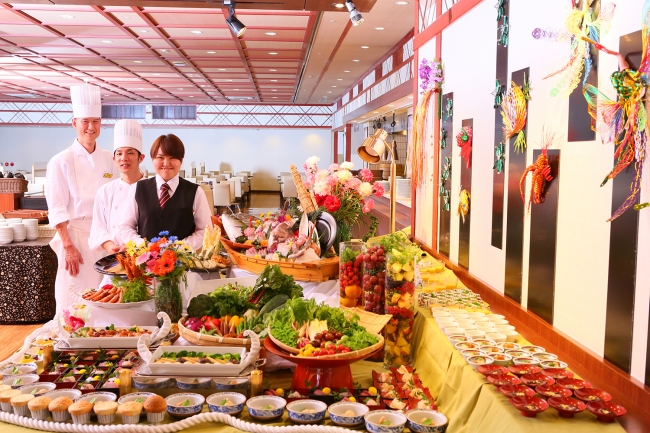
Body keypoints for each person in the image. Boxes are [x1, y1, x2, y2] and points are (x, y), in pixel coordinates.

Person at [45, 84, 119, 313]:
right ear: (74, 123)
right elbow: (56, 207)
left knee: (109, 297)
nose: (90, 127)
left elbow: (119, 199)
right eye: (85, 121)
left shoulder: (110, 159)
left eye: (95, 121)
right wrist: (67, 246)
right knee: (74, 297)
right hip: (76, 240)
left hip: (106, 240)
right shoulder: (60, 161)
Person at [119, 134, 211, 251]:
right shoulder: (137, 188)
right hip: (145, 261)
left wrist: (181, 247)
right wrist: (144, 245)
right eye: (160, 157)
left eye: (172, 157)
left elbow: (206, 230)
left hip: (183, 264)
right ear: (152, 159)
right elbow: (126, 226)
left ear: (181, 160)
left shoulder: (196, 191)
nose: (166, 163)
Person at [89, 119, 145, 256]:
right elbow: (98, 230)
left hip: (147, 258)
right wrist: (110, 246)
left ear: (141, 158)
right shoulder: (105, 192)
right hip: (115, 258)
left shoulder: (152, 190)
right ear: (114, 159)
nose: (124, 158)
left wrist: (135, 247)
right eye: (119, 153)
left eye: (130, 153)